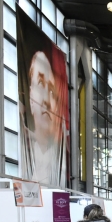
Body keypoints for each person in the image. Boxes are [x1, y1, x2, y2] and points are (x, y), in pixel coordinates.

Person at [20, 48, 68, 188]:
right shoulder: (23, 152)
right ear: (30, 96)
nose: (47, 99)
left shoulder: (60, 162)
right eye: (40, 84)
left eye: (52, 91)